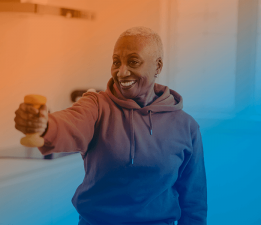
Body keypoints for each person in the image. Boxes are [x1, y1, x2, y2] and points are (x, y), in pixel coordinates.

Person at [14, 26, 207, 225]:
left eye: (133, 62)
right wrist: (43, 124)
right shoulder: (97, 106)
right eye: (116, 62)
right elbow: (70, 122)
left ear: (157, 66)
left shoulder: (186, 127)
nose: (121, 72)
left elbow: (194, 201)